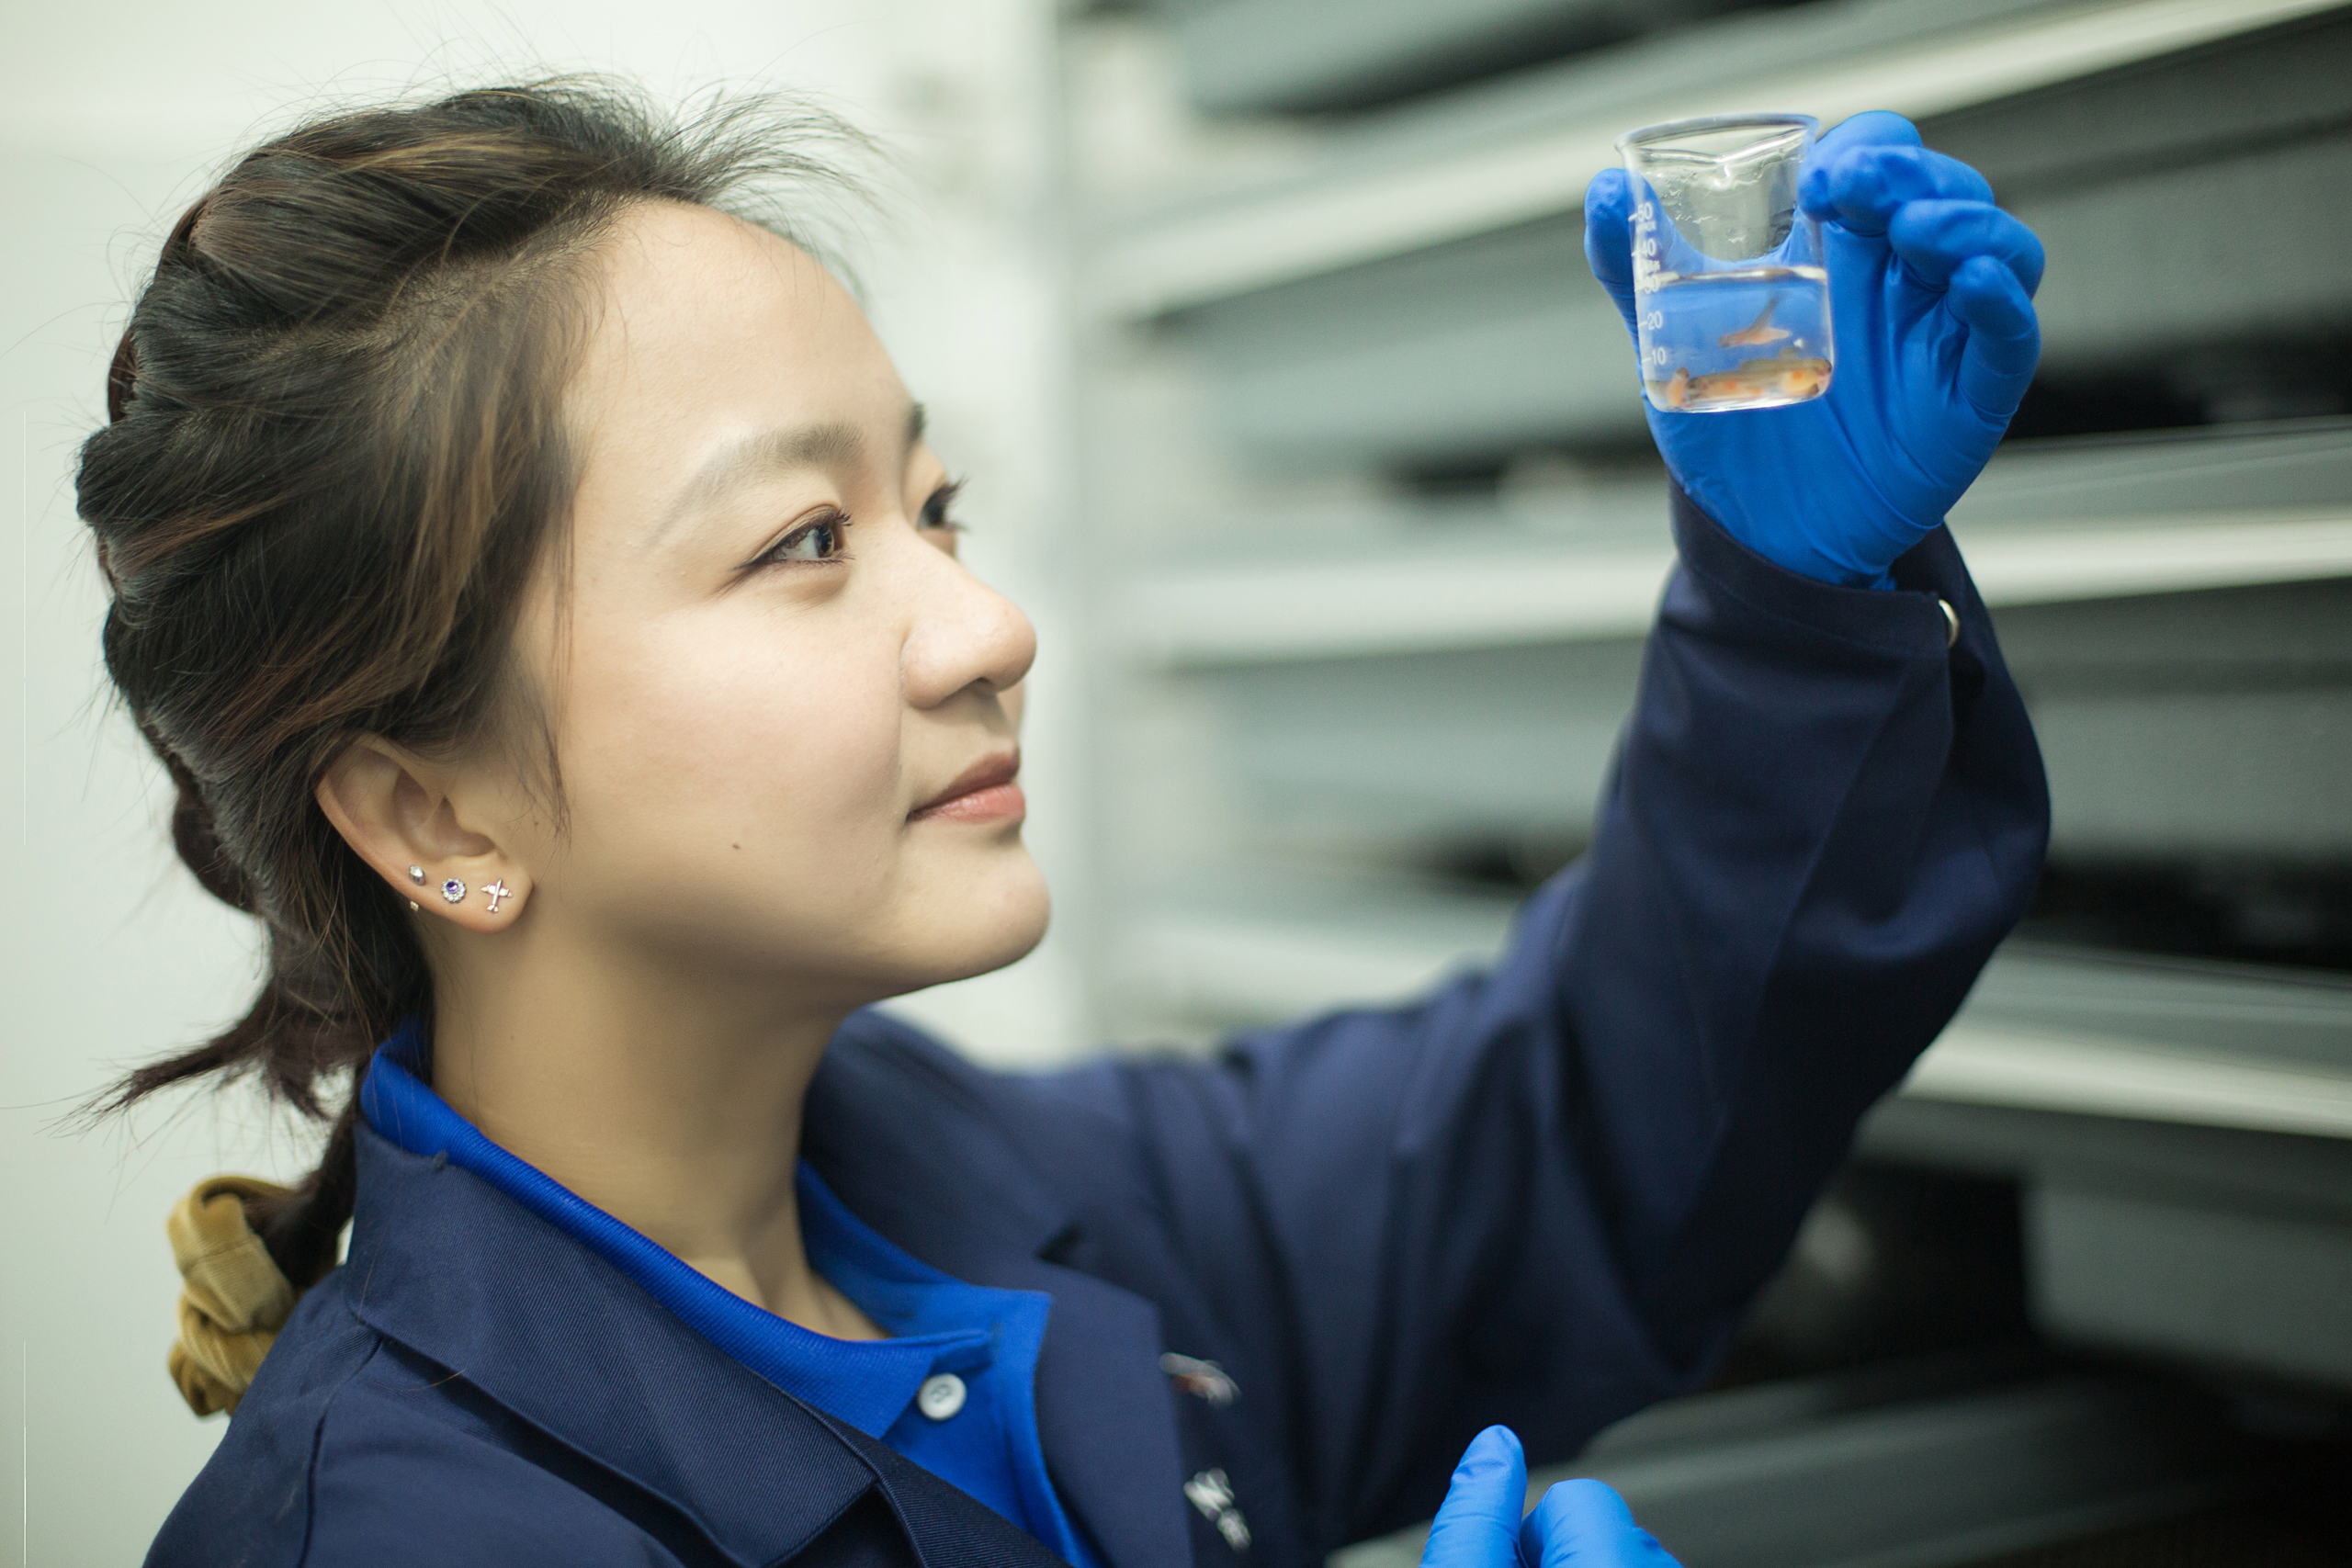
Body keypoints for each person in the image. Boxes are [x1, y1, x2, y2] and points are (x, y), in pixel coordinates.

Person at [85, 80, 2046, 1568]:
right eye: (801, 542)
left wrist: (1789, 608)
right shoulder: (409, 1526)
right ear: (432, 805)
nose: (984, 622)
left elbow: (1580, 1130)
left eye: (930, 509)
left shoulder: (982, 1195)